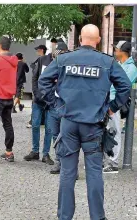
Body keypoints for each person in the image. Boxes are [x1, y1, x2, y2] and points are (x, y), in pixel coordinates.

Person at [39, 24, 131, 220]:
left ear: (80, 39)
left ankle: (64, 216)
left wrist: (57, 106)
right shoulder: (107, 62)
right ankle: (97, 217)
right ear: (97, 40)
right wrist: (112, 108)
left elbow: (43, 82)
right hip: (94, 124)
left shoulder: (64, 59)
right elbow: (125, 86)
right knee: (94, 172)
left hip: (69, 122)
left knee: (67, 172)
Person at [103, 41, 137, 173]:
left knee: (114, 131)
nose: (114, 51)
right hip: (106, 101)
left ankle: (113, 162)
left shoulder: (131, 68)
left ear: (123, 51)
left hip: (115, 104)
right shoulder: (117, 65)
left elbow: (122, 85)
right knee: (104, 131)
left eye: (116, 49)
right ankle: (104, 161)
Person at [23, 44, 54, 165]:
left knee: (49, 128)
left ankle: (45, 154)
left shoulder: (63, 63)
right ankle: (35, 151)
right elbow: (34, 78)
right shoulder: (42, 60)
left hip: (52, 102)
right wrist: (36, 94)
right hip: (39, 99)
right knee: (35, 125)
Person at [47, 41, 69, 174]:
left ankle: (68, 164)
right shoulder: (54, 64)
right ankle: (58, 161)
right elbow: (45, 81)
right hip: (55, 104)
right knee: (55, 135)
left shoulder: (71, 65)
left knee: (67, 136)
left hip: (66, 105)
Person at [26, 44, 47, 128]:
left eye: (37, 50)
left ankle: (33, 121)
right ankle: (41, 120)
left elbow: (36, 74)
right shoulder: (44, 60)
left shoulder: (41, 60)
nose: (36, 51)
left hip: (38, 86)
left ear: (41, 50)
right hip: (40, 86)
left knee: (35, 104)